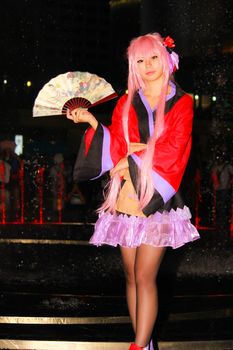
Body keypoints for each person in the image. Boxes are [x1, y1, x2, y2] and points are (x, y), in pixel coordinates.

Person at [67, 33, 200, 350]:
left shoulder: (182, 102)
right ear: (133, 65)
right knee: (130, 275)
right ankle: (144, 340)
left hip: (158, 195)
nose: (148, 65)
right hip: (127, 194)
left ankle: (139, 346)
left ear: (166, 58)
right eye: (140, 60)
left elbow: (176, 147)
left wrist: (134, 157)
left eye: (153, 57)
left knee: (144, 275)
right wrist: (92, 123)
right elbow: (117, 146)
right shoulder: (127, 103)